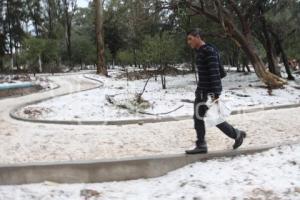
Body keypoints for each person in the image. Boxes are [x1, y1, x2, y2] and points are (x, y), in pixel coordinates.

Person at [186, 28, 246, 154]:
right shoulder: (202, 51)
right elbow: (218, 73)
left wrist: (215, 94)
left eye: (190, 39)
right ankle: (235, 134)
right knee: (203, 118)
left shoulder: (209, 51)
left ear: (198, 37)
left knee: (208, 118)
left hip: (207, 93)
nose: (189, 42)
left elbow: (215, 73)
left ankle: (204, 144)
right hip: (202, 91)